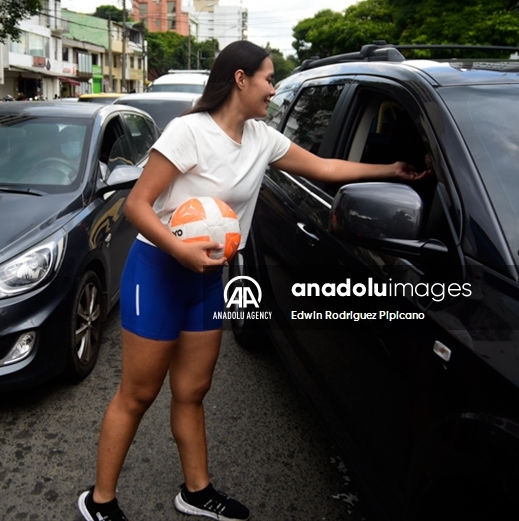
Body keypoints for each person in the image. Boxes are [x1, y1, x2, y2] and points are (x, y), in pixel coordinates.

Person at [78, 41, 430, 521]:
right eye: (267, 77)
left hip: (207, 278)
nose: (273, 87)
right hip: (160, 269)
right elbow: (137, 206)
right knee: (138, 394)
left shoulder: (262, 138)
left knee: (193, 391)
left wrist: (394, 170)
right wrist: (180, 248)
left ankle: (196, 492)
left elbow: (325, 168)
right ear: (240, 79)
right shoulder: (188, 132)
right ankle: (100, 501)